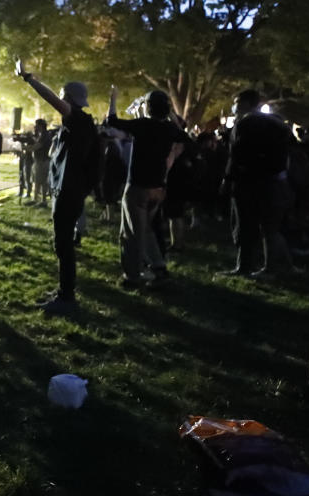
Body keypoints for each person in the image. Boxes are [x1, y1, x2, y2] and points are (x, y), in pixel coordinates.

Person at [15, 61, 98, 316]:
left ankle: (67, 297)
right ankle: (64, 291)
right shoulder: (78, 124)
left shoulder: (79, 121)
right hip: (68, 190)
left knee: (63, 244)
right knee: (62, 243)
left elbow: (51, 98)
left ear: (69, 100)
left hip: (70, 192)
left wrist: (29, 79)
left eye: (63, 100)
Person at [104, 87, 189, 288]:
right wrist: (171, 116)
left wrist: (113, 99)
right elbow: (184, 137)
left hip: (137, 188)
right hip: (158, 189)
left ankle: (132, 276)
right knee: (148, 230)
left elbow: (112, 121)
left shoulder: (143, 125)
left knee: (130, 233)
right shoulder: (169, 130)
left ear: (148, 107)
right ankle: (159, 266)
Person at [220, 89, 295, 277]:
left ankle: (245, 266)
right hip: (275, 180)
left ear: (246, 103)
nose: (234, 106)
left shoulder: (245, 123)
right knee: (270, 228)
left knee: (245, 225)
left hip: (247, 182)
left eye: (237, 102)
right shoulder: (277, 122)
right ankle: (279, 267)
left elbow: (237, 154)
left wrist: (227, 179)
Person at [31, 118, 52, 205]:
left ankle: (42, 201)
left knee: (41, 181)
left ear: (41, 126)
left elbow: (38, 146)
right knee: (38, 181)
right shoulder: (42, 135)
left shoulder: (44, 135)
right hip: (40, 160)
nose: (35, 127)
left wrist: (26, 148)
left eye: (37, 125)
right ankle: (37, 199)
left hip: (43, 161)